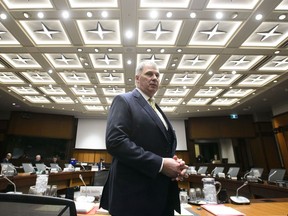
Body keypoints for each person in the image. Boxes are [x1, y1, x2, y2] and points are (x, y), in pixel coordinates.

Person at [100, 61, 188, 216]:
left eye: (157, 75)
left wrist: (174, 164)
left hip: (161, 196)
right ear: (137, 78)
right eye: (149, 74)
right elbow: (116, 142)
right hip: (134, 199)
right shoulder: (124, 100)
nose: (154, 78)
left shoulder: (156, 108)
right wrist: (161, 164)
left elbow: (159, 147)